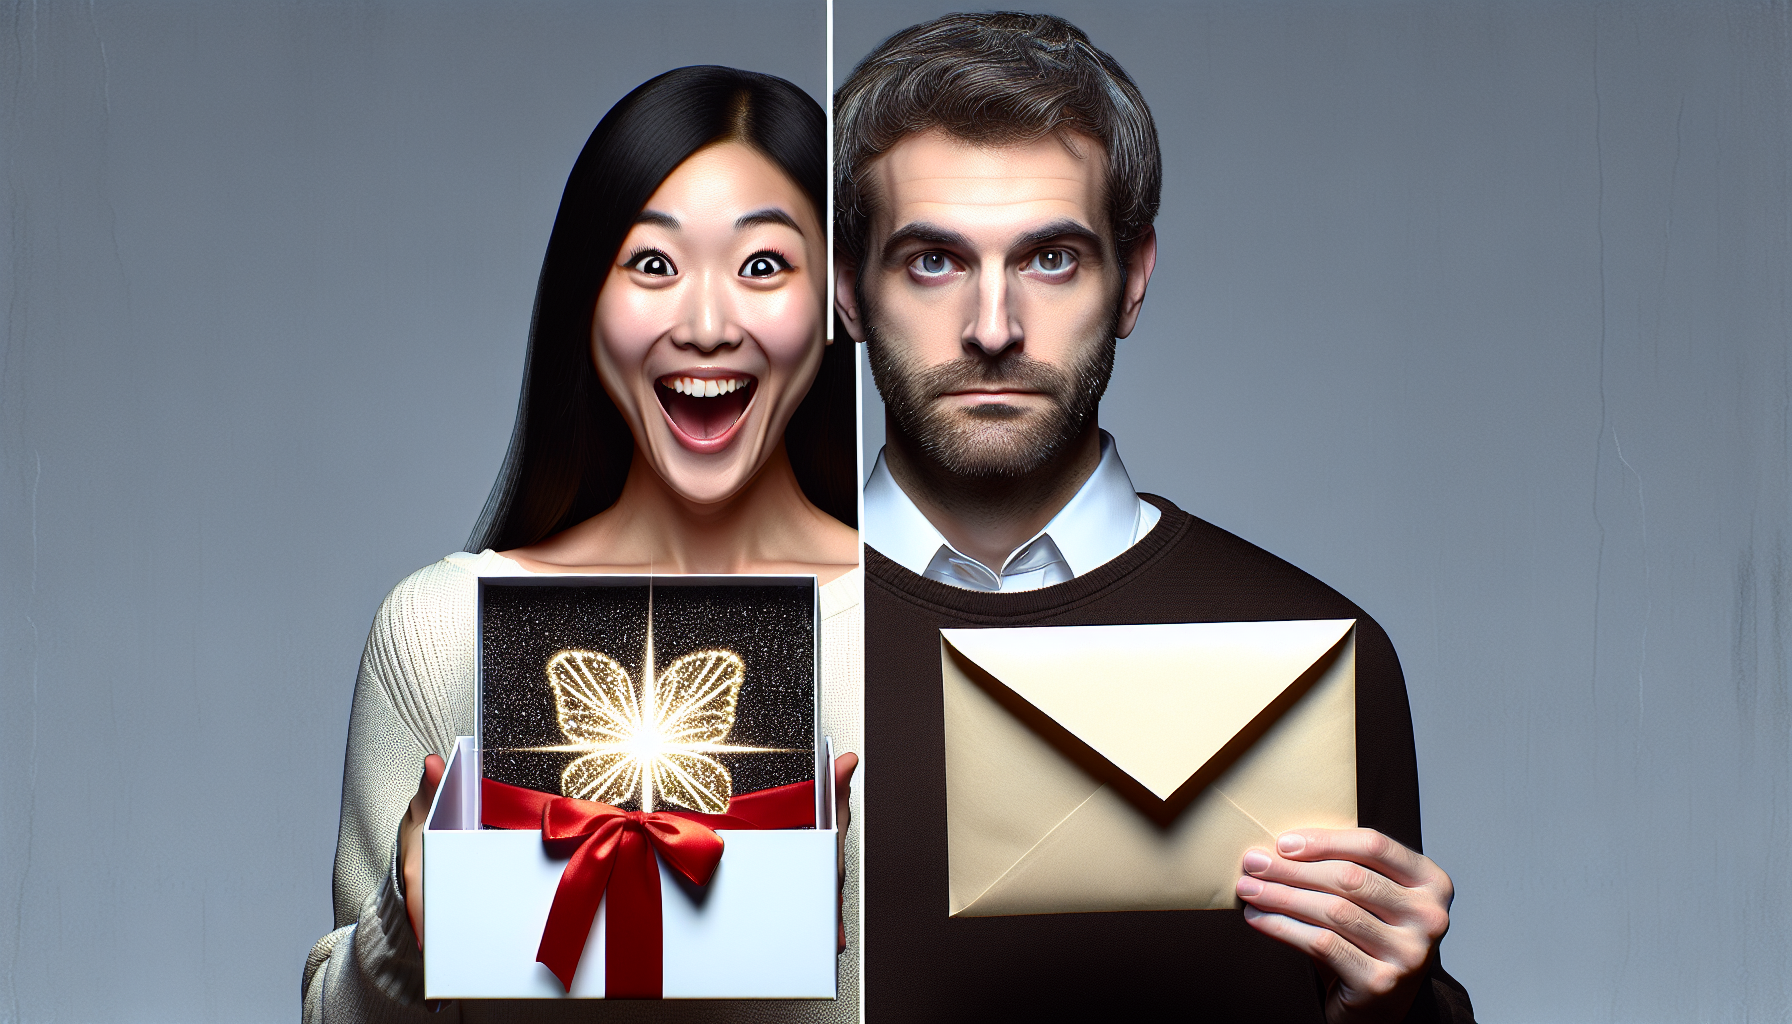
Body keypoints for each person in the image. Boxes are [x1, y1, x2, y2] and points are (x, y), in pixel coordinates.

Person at [834, 14, 1473, 1022]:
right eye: (932, 261)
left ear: (1131, 280)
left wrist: (1398, 1008)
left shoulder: (1316, 652)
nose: (992, 328)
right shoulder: (733, 640)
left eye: (1050, 259)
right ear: (846, 290)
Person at [302, 66, 862, 1023]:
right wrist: (413, 924)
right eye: (652, 263)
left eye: (764, 265)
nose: (707, 323)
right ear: (584, 297)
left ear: (840, 302)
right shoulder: (442, 628)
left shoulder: (918, 626)